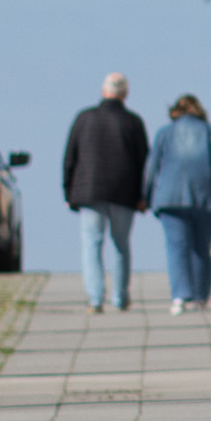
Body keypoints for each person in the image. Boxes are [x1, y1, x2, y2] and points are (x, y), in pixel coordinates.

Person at [143, 93, 211, 315]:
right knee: (201, 248)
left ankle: (180, 296)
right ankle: (200, 297)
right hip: (205, 198)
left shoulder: (164, 133)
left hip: (169, 199)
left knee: (177, 247)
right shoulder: (209, 132)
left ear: (175, 111)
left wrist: (146, 196)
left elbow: (151, 168)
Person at [62, 72, 149, 313]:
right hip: (125, 192)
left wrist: (68, 191)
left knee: (92, 243)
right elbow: (145, 162)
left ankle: (95, 298)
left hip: (89, 192)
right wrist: (144, 195)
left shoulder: (84, 118)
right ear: (125, 94)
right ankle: (120, 297)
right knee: (121, 244)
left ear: (103, 92)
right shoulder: (133, 122)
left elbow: (70, 156)